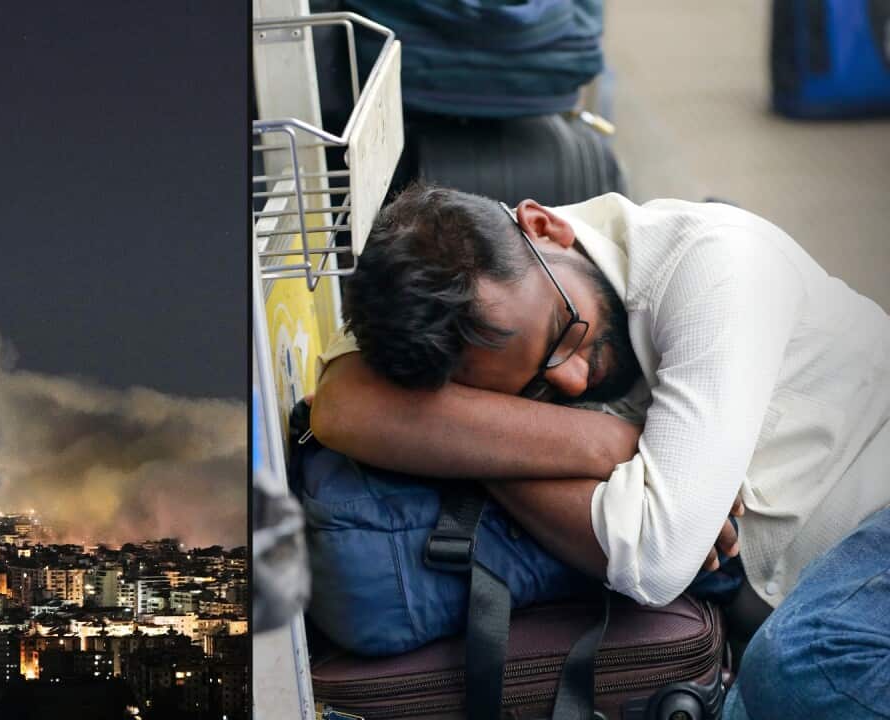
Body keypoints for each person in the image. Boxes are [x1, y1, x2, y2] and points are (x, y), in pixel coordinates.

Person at [309, 184, 890, 718]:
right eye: (529, 390)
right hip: (788, 587)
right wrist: (611, 445)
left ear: (546, 227)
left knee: (801, 671)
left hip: (875, 512)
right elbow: (342, 406)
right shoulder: (461, 289)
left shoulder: (717, 267)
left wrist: (464, 441)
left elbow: (655, 559)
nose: (574, 379)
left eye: (563, 331)